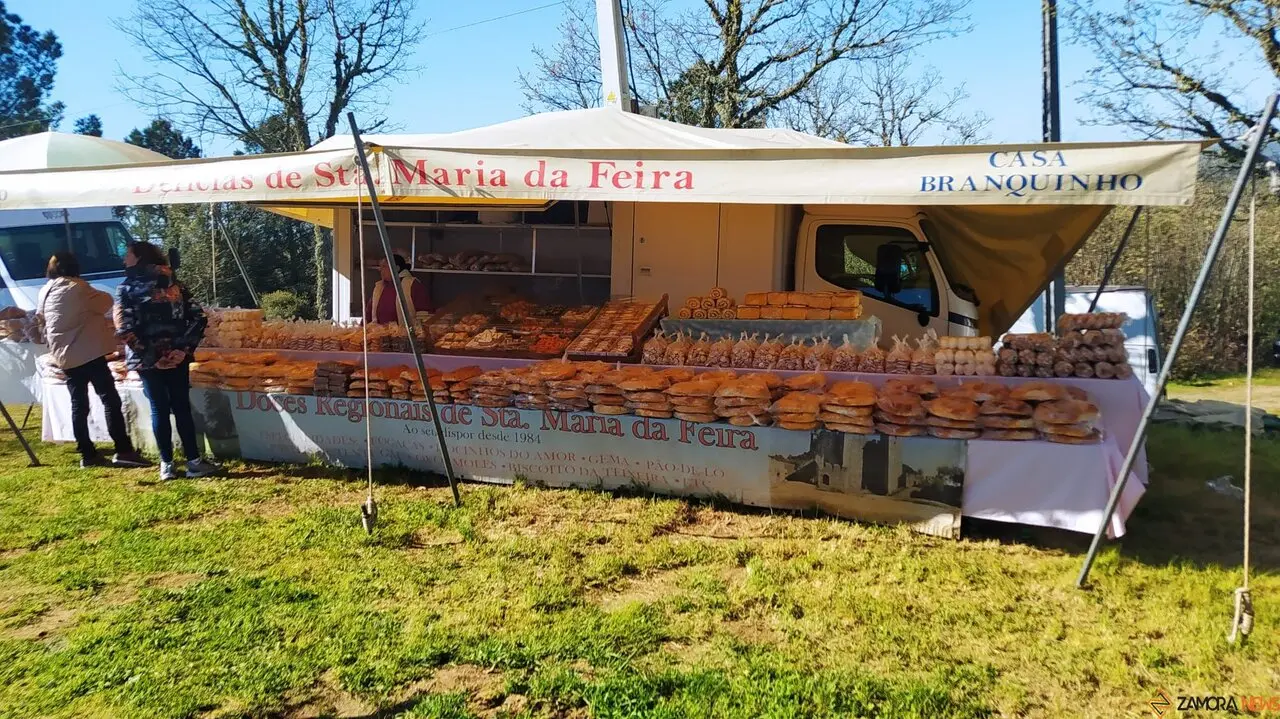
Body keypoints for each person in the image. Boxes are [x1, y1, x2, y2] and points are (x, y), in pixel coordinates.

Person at [115, 241, 221, 481]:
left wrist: (152, 356)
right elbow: (198, 318)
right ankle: (194, 461)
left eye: (128, 255)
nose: (124, 260)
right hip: (177, 357)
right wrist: (183, 350)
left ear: (139, 258)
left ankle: (167, 465)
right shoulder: (177, 285)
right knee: (181, 407)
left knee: (158, 409)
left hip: (148, 360)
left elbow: (124, 329)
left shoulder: (126, 289)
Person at [36, 251, 150, 469]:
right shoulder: (78, 288)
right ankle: (123, 449)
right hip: (87, 352)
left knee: (79, 404)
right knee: (110, 399)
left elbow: (42, 318)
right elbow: (105, 302)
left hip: (63, 355)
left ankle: (87, 453)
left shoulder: (45, 290)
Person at [366, 254, 429, 324]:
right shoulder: (379, 286)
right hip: (378, 332)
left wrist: (420, 331)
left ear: (396, 268)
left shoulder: (412, 284)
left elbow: (423, 314)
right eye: (380, 266)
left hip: (405, 333)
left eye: (384, 266)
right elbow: (368, 312)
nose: (379, 269)